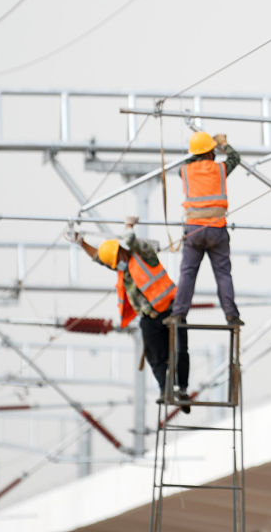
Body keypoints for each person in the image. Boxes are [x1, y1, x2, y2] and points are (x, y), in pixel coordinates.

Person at [70, 219, 190, 412]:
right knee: (155, 356)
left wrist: (128, 226)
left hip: (171, 310)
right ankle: (164, 389)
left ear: (122, 252)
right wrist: (81, 243)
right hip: (150, 318)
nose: (117, 265)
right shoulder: (121, 269)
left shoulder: (144, 255)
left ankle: (182, 390)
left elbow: (132, 239)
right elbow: (98, 257)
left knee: (180, 351)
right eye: (115, 264)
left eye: (118, 260)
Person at [166, 131, 243, 327]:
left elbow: (193, 158)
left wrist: (203, 148)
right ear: (210, 153)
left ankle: (178, 314)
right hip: (217, 230)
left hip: (194, 230)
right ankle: (231, 315)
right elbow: (235, 158)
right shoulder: (220, 169)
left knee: (188, 274)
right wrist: (223, 144)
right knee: (223, 274)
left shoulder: (185, 171)